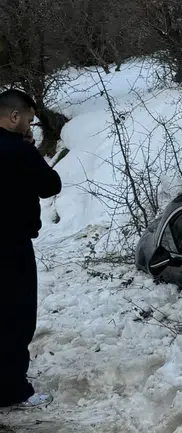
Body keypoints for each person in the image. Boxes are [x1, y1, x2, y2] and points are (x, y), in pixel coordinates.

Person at [0, 89, 61, 409]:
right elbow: (50, 185)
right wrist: (32, 155)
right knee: (16, 317)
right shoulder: (19, 152)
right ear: (14, 117)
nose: (30, 125)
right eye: (28, 119)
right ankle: (12, 391)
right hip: (11, 248)